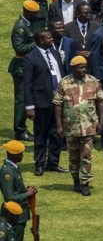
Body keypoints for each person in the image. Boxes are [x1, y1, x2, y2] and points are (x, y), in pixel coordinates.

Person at [53, 56, 103, 196]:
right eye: (80, 67)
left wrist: (101, 122)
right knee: (73, 157)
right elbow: (58, 104)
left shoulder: (93, 81)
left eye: (85, 67)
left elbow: (101, 102)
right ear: (73, 68)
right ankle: (76, 180)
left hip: (89, 126)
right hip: (70, 127)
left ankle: (85, 183)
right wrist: (58, 126)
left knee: (86, 155)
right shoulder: (64, 83)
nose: (83, 69)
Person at [23, 29, 66, 176]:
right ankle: (40, 163)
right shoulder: (30, 57)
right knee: (41, 134)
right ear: (41, 40)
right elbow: (27, 84)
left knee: (57, 133)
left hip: (58, 102)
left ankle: (53, 163)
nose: (52, 40)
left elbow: (61, 74)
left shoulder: (54, 53)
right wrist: (29, 106)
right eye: (48, 38)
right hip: (41, 102)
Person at [10, 1, 40, 142]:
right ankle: (20, 130)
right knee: (21, 100)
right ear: (28, 12)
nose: (36, 16)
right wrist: (36, 43)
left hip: (26, 65)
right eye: (34, 14)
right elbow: (19, 48)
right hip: (20, 67)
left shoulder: (27, 24)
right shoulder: (20, 27)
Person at [0, 141, 36, 241]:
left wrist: (28, 190)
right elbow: (9, 197)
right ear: (12, 155)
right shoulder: (7, 171)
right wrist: (27, 194)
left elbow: (17, 188)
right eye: (20, 153)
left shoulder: (13, 167)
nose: (22, 155)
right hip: (13, 214)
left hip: (20, 213)